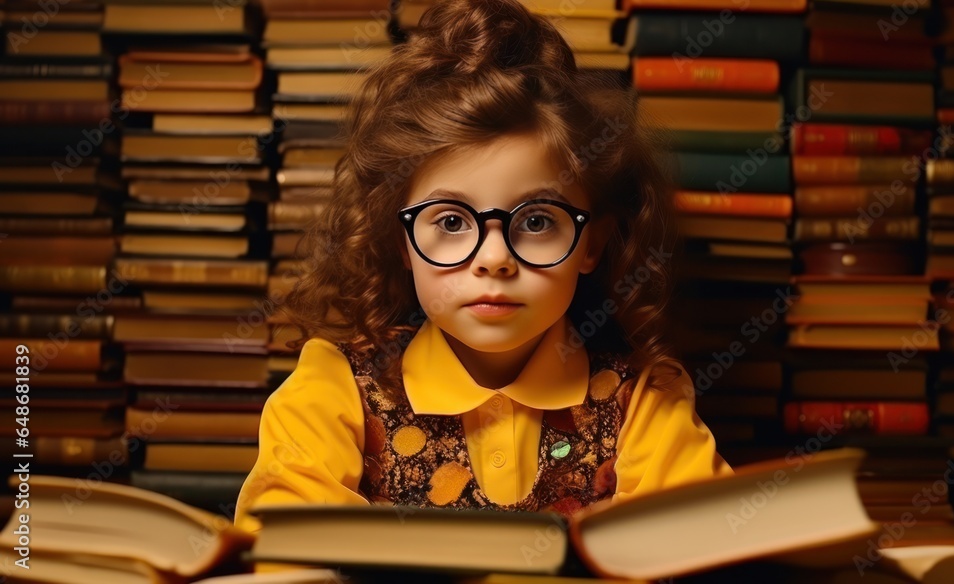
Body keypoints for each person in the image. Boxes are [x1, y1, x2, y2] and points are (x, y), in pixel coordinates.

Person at [234, 0, 732, 540]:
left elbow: (702, 550)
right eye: (450, 222)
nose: (494, 258)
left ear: (592, 242)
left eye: (537, 221)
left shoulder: (643, 400)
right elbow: (285, 554)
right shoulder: (335, 387)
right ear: (401, 241)